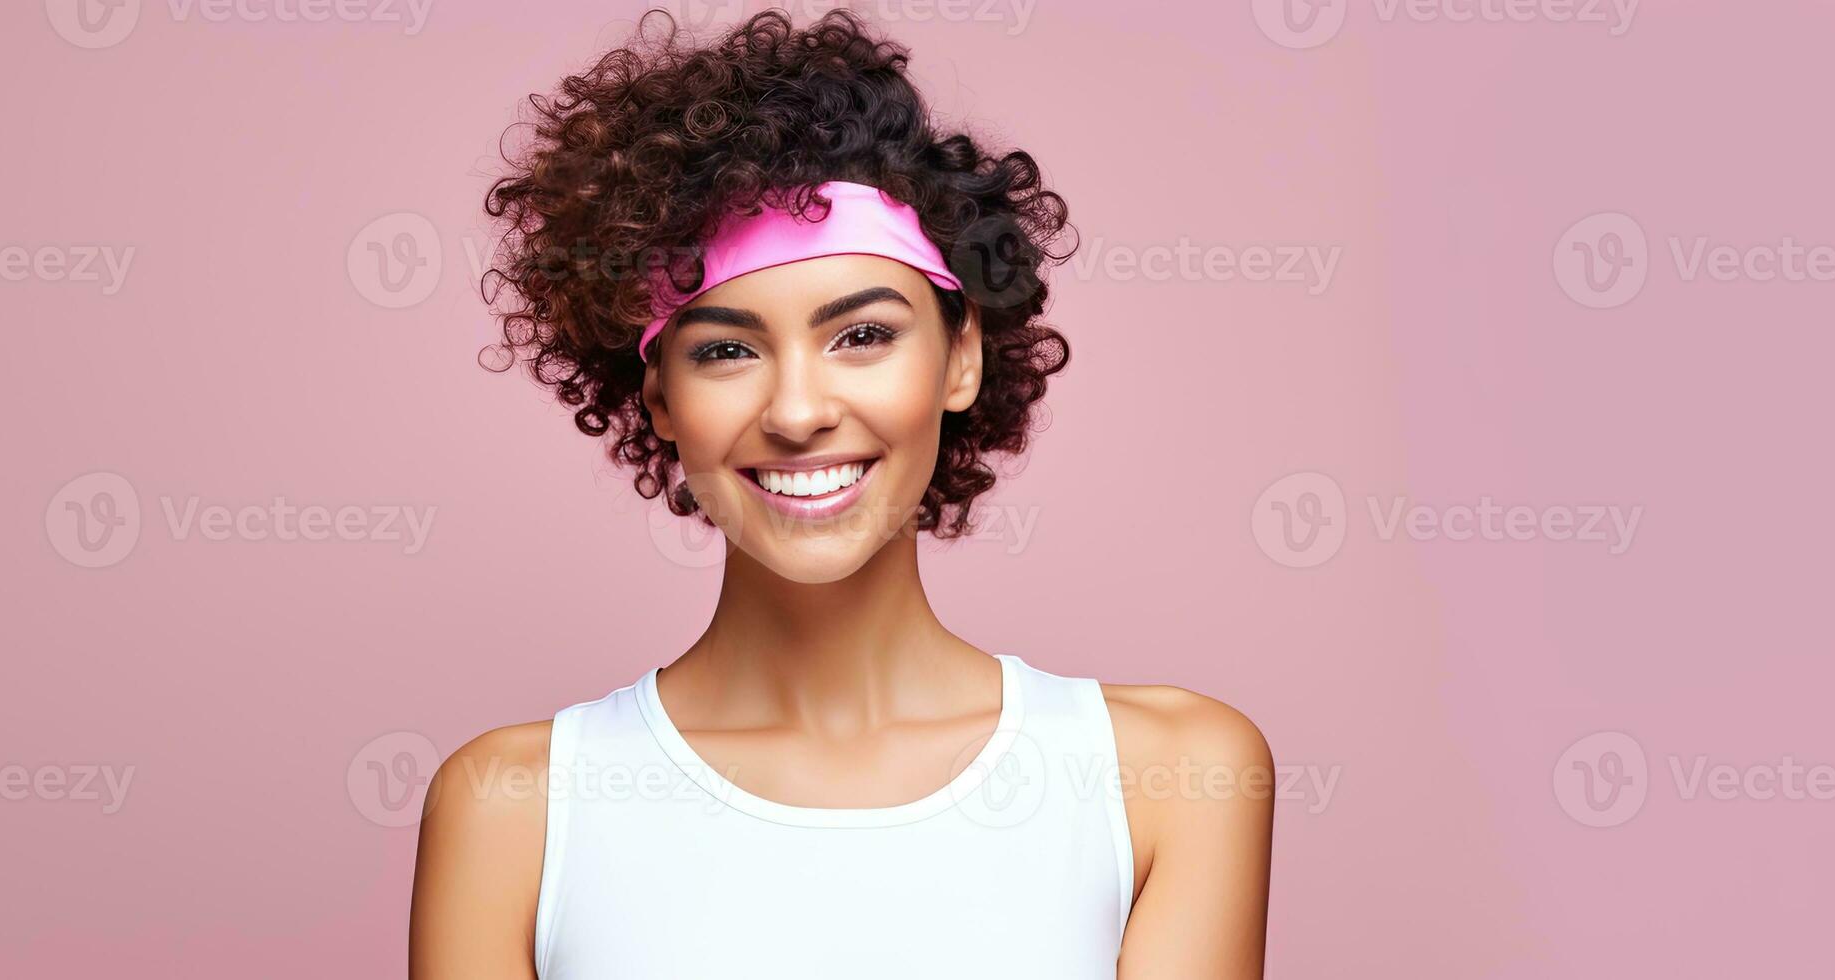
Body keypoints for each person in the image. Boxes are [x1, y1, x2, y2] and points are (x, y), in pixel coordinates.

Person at [412, 10, 1272, 978]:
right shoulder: (512, 810)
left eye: (860, 335)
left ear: (959, 358)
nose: (795, 409)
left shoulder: (1164, 780)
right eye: (726, 348)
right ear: (658, 395)